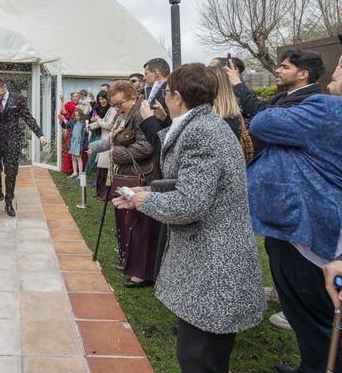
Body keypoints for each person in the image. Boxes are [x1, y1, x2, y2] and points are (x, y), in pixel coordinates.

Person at [113, 63, 265, 372]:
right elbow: (194, 183)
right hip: (207, 265)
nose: (162, 99)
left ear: (177, 97)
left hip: (213, 266)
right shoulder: (203, 125)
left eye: (166, 93)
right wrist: (146, 194)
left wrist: (146, 200)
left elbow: (190, 203)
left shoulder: (202, 132)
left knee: (199, 359)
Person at [246, 60, 342, 373]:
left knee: (315, 316)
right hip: (303, 229)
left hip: (307, 238)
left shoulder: (327, 109)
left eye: (340, 66)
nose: (335, 72)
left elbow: (261, 123)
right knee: (310, 317)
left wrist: (274, 110)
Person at [90, 80, 158, 287]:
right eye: (115, 105)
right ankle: (131, 263)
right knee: (130, 224)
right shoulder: (130, 114)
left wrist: (116, 154)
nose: (118, 108)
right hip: (128, 176)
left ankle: (141, 272)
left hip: (142, 178)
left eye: (120, 104)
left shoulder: (140, 114)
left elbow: (146, 147)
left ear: (132, 97)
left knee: (139, 226)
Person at [225, 49, 324, 153]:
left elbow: (261, 114)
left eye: (285, 67)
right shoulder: (283, 96)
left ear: (303, 74)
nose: (277, 70)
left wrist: (237, 84)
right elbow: (256, 109)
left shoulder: (309, 101)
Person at [0, 77, 47, 217]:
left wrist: (40, 135)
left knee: (11, 172)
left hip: (12, 142)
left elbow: (28, 118)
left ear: (3, 86)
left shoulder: (18, 98)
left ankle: (9, 201)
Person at [88, 91, 116, 199]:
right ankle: (101, 194)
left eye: (103, 99)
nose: (101, 101)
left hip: (108, 141)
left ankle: (105, 195)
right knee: (101, 170)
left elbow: (108, 125)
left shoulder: (113, 110)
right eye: (99, 99)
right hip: (104, 140)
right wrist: (91, 126)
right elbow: (102, 121)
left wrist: (98, 121)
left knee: (104, 170)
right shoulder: (110, 109)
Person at [60, 109, 87, 178]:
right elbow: (65, 126)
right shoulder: (73, 122)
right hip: (73, 141)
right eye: (75, 115)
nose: (77, 117)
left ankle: (80, 174)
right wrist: (62, 121)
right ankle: (75, 172)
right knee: (73, 157)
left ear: (81, 115)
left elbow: (86, 136)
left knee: (78, 157)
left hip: (79, 142)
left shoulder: (84, 124)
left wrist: (85, 144)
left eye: (78, 115)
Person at [59, 92, 79, 174]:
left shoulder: (82, 105)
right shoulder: (68, 104)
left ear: (79, 97)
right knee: (69, 147)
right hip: (71, 128)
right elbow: (64, 112)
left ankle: (79, 169)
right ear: (71, 97)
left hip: (80, 128)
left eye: (77, 96)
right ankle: (68, 169)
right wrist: (62, 101)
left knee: (78, 148)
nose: (75, 97)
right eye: (74, 96)